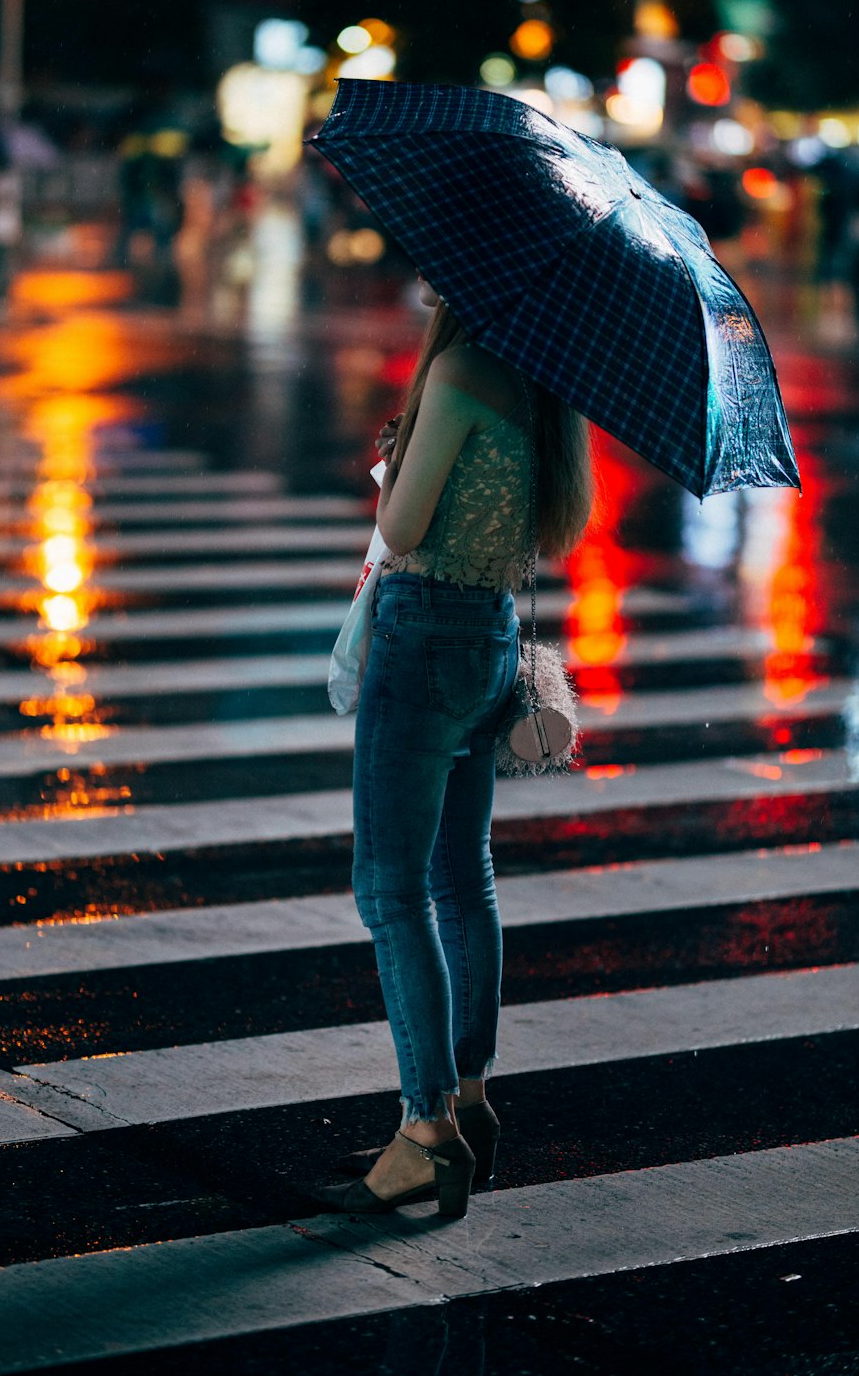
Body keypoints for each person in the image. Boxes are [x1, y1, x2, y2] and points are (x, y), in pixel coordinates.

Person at [314, 275, 593, 1219]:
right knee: (459, 876)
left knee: (390, 890)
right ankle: (468, 1099)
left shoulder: (463, 368)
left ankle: (424, 1129)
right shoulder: (547, 384)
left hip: (424, 633)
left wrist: (397, 461)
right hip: (491, 637)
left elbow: (401, 527)